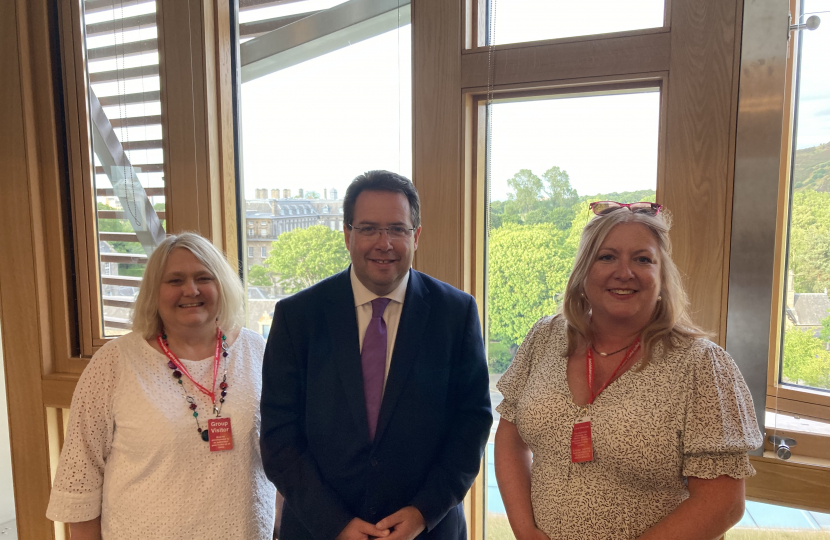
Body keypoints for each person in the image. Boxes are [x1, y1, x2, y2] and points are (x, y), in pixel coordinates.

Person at [494, 201, 763, 540]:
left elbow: (722, 502)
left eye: (642, 259)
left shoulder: (702, 365)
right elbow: (510, 438)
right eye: (606, 257)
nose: (625, 272)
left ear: (662, 274)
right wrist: (525, 530)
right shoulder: (545, 337)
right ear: (582, 271)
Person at [260, 170, 493, 540]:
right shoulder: (298, 317)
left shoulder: (456, 313)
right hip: (318, 530)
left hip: (426, 530)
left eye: (397, 229)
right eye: (368, 228)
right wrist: (333, 523)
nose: (384, 243)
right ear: (347, 234)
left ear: (416, 236)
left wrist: (422, 513)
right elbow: (278, 435)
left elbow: (472, 425)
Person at [46, 233, 276, 539]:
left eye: (203, 277)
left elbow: (283, 454)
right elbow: (81, 480)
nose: (191, 290)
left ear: (223, 285)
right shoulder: (113, 364)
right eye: (175, 280)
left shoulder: (257, 351)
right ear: (153, 292)